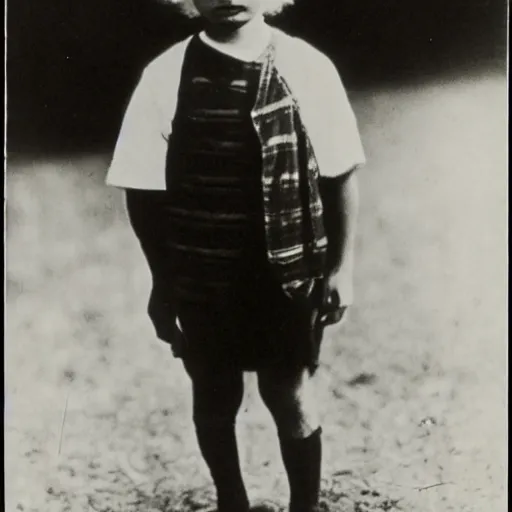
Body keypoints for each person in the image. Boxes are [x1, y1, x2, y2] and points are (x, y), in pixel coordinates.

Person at [106, 1, 365, 510]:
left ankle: (305, 505)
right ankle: (232, 500)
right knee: (214, 392)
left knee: (287, 390)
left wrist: (341, 267)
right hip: (203, 269)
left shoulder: (306, 65)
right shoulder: (166, 74)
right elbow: (141, 189)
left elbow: (342, 173)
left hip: (285, 270)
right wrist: (164, 281)